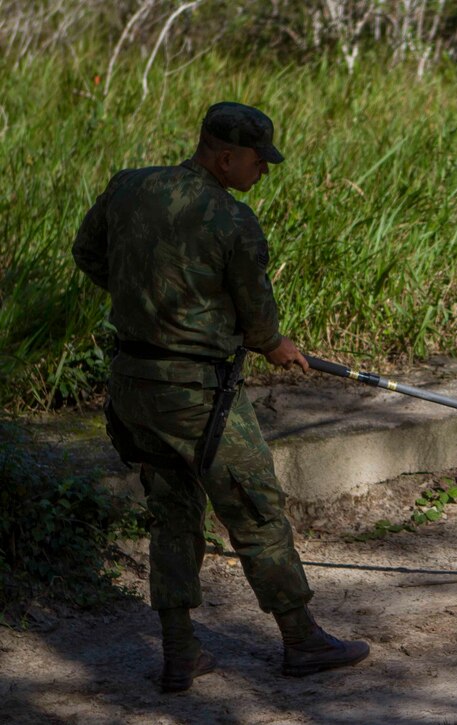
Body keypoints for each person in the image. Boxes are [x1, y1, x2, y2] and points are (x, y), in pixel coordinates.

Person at [72, 102, 369, 693]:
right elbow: (259, 324)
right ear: (225, 156)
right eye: (260, 163)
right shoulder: (233, 221)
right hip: (199, 395)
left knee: (172, 514)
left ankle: (181, 654)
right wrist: (276, 345)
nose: (264, 173)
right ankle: (302, 640)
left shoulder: (130, 186)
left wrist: (144, 298)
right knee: (255, 511)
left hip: (133, 387)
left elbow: (88, 253)